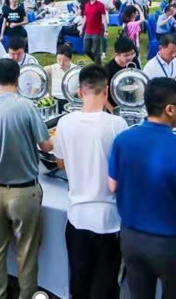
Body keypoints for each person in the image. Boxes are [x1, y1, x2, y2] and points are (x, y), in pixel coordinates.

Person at [108, 77, 176, 298]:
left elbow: (112, 185)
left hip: (131, 238)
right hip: (169, 245)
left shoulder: (123, 140)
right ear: (170, 109)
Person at [0, 59, 53, 299]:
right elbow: (46, 145)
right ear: (17, 80)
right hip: (25, 191)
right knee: (27, 251)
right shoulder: (26, 107)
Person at [54, 65, 127, 299]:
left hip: (78, 216)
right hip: (109, 218)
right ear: (106, 91)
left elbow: (60, 163)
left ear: (79, 91)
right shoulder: (117, 125)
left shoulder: (65, 123)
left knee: (79, 283)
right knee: (105, 286)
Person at [104, 37, 141, 110]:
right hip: (114, 106)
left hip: (131, 103)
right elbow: (102, 94)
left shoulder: (134, 61)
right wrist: (113, 111)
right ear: (116, 55)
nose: (130, 57)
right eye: (126, 55)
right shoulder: (108, 69)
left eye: (132, 53)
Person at [81, 0, 109, 65]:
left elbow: (104, 18)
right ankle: (97, 61)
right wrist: (81, 28)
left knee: (96, 51)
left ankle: (98, 66)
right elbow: (85, 17)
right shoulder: (86, 5)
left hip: (97, 32)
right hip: (87, 31)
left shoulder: (100, 5)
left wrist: (106, 30)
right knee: (86, 50)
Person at [45, 43, 73, 113]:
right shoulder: (52, 68)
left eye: (65, 61)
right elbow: (38, 72)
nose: (61, 64)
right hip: (55, 101)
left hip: (71, 102)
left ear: (70, 59)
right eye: (59, 60)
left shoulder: (75, 71)